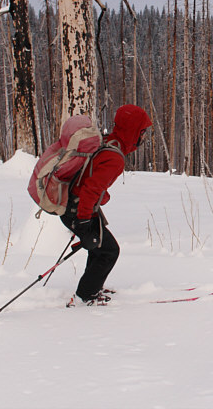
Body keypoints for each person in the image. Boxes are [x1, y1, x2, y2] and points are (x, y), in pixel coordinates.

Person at [60, 104, 152, 307]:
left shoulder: (108, 142)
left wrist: (102, 197)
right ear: (133, 130)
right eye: (142, 132)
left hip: (76, 206)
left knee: (99, 247)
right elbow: (91, 189)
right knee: (109, 251)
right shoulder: (115, 157)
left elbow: (92, 181)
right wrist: (83, 220)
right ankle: (88, 294)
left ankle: (90, 288)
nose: (143, 137)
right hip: (78, 209)